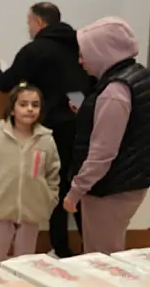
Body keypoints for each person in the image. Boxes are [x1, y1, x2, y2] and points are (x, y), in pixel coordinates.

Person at [0, 2, 89, 258]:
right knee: (79, 186)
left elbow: (6, 83)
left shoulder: (37, 49)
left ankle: (60, 247)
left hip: (50, 130)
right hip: (83, 123)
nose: (28, 28)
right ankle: (89, 250)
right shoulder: (80, 46)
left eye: (29, 22)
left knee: (52, 183)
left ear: (40, 23)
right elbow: (84, 86)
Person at [64, 17, 150, 254]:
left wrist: (75, 191)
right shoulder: (137, 75)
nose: (80, 60)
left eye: (85, 53)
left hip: (109, 188)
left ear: (103, 52)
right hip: (128, 181)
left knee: (100, 260)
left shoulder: (115, 91)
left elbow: (103, 152)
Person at [0, 85, 60, 263]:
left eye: (35, 105)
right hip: (0, 207)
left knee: (24, 261)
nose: (30, 109)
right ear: (12, 109)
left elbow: (53, 172)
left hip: (31, 211)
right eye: (23, 104)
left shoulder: (46, 140)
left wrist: (50, 198)